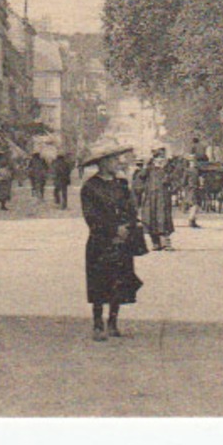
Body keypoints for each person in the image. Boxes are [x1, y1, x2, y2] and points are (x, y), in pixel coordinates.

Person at [79, 144, 144, 340]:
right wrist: (113, 230)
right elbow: (91, 216)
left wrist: (127, 227)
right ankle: (98, 324)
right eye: (114, 160)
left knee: (119, 282)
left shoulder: (121, 185)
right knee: (99, 283)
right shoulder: (90, 187)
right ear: (103, 162)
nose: (118, 163)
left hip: (121, 240)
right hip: (100, 241)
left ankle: (113, 323)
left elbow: (131, 209)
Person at [132, 147, 176, 249]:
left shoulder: (167, 169)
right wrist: (146, 166)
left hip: (163, 198)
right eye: (159, 158)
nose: (161, 160)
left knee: (163, 218)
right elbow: (139, 179)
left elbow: (174, 179)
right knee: (150, 219)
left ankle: (166, 243)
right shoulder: (149, 169)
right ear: (155, 159)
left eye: (162, 158)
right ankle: (155, 243)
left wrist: (169, 180)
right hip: (150, 198)